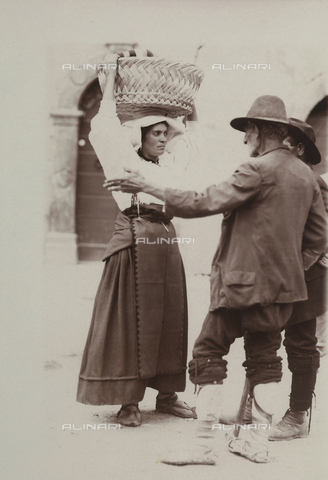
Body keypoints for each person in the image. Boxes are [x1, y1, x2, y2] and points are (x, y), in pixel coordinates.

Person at [105, 95, 328, 463]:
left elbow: (203, 201)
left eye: (248, 133)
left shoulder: (255, 169)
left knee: (208, 353)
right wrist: (286, 270)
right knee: (265, 359)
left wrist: (150, 185)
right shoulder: (306, 175)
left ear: (258, 131)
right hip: (283, 290)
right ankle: (255, 443)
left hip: (239, 285)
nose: (245, 141)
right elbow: (319, 238)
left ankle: (202, 445)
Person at [76, 52, 198, 427]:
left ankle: (167, 394)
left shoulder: (172, 165)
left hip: (165, 240)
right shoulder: (123, 162)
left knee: (171, 318)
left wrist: (181, 112)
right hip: (132, 239)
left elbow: (187, 137)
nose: (162, 139)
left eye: (165, 134)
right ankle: (128, 401)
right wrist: (109, 88)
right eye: (155, 134)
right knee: (130, 320)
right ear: (140, 136)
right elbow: (105, 129)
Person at [268, 117, 328, 441]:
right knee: (262, 335)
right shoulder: (279, 176)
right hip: (283, 271)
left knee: (301, 344)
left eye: (286, 143)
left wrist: (297, 268)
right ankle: (257, 407)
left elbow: (322, 235)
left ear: (300, 149)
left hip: (310, 273)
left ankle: (297, 416)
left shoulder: (312, 181)